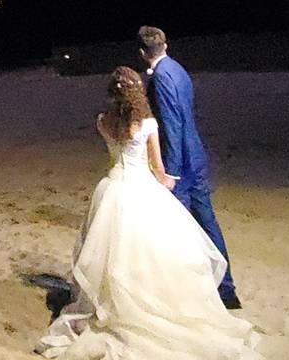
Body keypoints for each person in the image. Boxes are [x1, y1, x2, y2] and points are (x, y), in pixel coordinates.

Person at [36, 67, 260, 359]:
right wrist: (167, 181)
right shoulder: (147, 124)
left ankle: (115, 304)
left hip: (113, 187)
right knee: (156, 251)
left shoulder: (104, 122)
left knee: (113, 253)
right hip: (140, 186)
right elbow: (157, 167)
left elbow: (117, 152)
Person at [137, 25, 241, 309]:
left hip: (181, 164)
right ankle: (226, 288)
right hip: (195, 155)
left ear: (142, 53)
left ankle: (192, 291)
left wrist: (169, 172)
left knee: (179, 230)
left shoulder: (161, 77)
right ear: (165, 45)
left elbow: (172, 124)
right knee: (208, 224)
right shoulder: (178, 70)